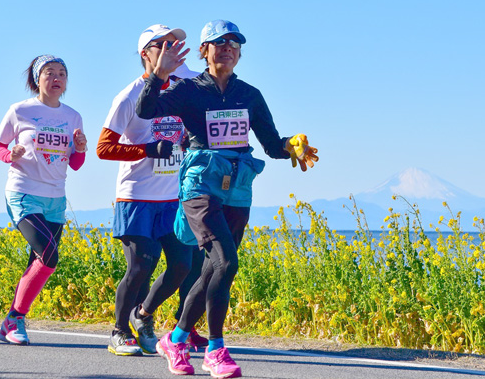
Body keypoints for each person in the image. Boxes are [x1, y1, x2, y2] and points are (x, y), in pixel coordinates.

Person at [136, 20, 318, 378]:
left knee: (214, 269)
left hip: (238, 184)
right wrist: (157, 75)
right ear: (205, 51)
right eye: (219, 43)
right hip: (200, 182)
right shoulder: (188, 89)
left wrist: (290, 145)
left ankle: (175, 339)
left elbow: (270, 142)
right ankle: (216, 350)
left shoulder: (249, 94)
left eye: (235, 44)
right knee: (226, 262)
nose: (228, 48)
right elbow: (146, 110)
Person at [96, 24, 207, 357]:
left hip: (172, 198)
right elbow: (103, 147)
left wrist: (186, 142)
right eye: (162, 45)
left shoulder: (180, 93)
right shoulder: (129, 96)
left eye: (174, 44)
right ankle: (118, 331)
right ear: (146, 54)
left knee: (183, 265)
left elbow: (185, 133)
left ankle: (142, 316)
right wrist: (147, 150)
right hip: (136, 196)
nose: (171, 49)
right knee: (142, 263)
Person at [0, 55, 87, 345]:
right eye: (49, 73)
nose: (56, 78)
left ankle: (11, 320)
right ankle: (17, 317)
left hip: (56, 197)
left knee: (38, 259)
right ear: (37, 79)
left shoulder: (72, 116)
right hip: (23, 191)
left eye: (62, 73)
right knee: (49, 256)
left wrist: (81, 148)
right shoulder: (20, 111)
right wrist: (11, 155)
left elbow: (75, 164)